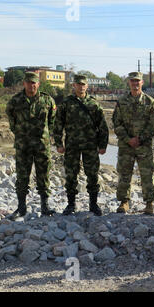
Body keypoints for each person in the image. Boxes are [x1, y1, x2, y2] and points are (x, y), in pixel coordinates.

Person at [54, 74, 109, 216]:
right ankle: (71, 204)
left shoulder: (94, 104)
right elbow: (58, 124)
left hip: (91, 145)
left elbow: (102, 126)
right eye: (79, 84)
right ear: (74, 86)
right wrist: (58, 143)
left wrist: (103, 145)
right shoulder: (66, 103)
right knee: (71, 174)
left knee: (92, 174)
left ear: (87, 86)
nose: (81, 86)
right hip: (72, 145)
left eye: (84, 84)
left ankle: (93, 204)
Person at [5, 71, 57, 220]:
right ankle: (21, 208)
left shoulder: (47, 100)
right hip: (23, 146)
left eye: (34, 82)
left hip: (42, 145)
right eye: (28, 82)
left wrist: (47, 134)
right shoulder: (15, 101)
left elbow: (52, 120)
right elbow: (11, 118)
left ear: (38, 84)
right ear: (24, 83)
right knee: (22, 176)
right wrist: (19, 132)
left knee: (44, 175)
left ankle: (45, 206)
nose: (31, 85)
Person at [112, 72, 154, 214]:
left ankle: (149, 203)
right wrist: (128, 139)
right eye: (133, 81)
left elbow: (153, 124)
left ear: (142, 83)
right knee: (124, 173)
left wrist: (140, 138)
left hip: (144, 145)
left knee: (147, 174)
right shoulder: (122, 102)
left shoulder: (149, 102)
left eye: (137, 81)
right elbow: (116, 123)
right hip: (126, 145)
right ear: (129, 83)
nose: (135, 84)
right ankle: (124, 202)